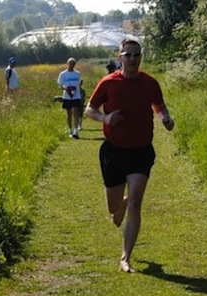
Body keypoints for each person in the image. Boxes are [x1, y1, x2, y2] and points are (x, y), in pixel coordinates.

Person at [86, 39, 175, 273]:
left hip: (141, 150)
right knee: (113, 208)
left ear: (141, 57)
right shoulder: (108, 83)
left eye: (137, 55)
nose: (133, 59)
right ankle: (121, 203)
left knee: (137, 201)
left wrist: (165, 118)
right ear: (120, 57)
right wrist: (105, 119)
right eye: (128, 55)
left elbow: (159, 105)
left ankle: (125, 257)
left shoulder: (149, 83)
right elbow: (90, 110)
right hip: (114, 150)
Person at [57, 57, 82, 139]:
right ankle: (70, 129)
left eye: (73, 64)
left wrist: (76, 88)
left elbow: (79, 83)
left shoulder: (77, 74)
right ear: (67, 64)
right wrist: (66, 89)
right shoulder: (63, 74)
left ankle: (76, 130)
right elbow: (60, 84)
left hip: (76, 95)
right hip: (67, 96)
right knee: (69, 113)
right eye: (70, 64)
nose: (71, 66)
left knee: (76, 111)